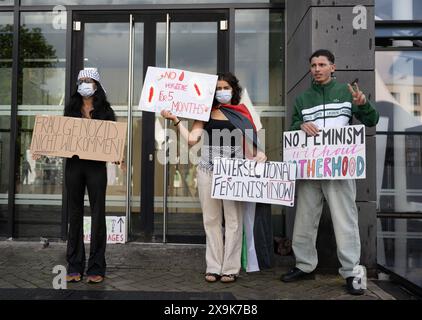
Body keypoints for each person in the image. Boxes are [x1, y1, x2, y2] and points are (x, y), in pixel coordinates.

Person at [280, 49, 379, 295]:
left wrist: (363, 104)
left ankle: (352, 273)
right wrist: (300, 125)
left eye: (322, 64)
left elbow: (372, 119)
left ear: (333, 67)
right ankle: (304, 266)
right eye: (313, 65)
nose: (317, 68)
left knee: (346, 221)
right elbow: (293, 127)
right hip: (310, 169)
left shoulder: (348, 93)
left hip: (340, 169)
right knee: (304, 219)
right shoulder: (302, 99)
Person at [161, 72, 266, 283]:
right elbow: (192, 140)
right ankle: (213, 266)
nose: (222, 92)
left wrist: (259, 154)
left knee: (234, 221)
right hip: (207, 171)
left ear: (233, 90)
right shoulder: (205, 113)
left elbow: (251, 145)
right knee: (211, 220)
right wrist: (176, 121)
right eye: (218, 88)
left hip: (233, 173)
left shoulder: (242, 113)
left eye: (226, 88)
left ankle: (231, 268)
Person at [63, 68, 116, 284]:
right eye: (81, 81)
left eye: (89, 80)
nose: (85, 84)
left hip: (96, 167)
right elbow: (60, 136)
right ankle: (74, 265)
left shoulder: (105, 110)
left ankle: (96, 267)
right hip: (74, 166)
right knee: (74, 214)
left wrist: (117, 156)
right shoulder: (71, 109)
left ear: (96, 84)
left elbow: (113, 139)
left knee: (97, 214)